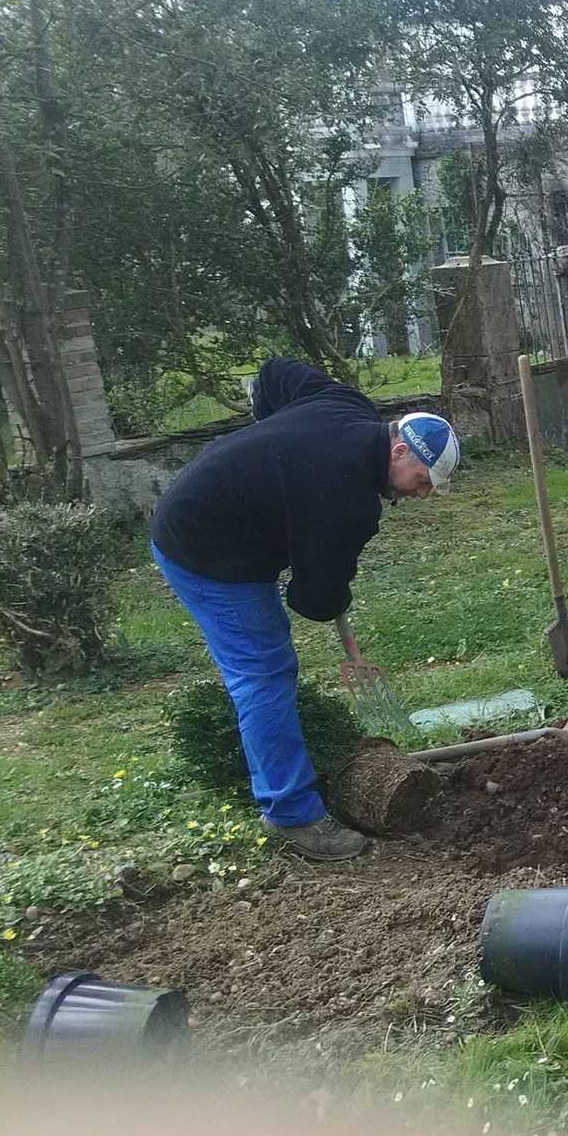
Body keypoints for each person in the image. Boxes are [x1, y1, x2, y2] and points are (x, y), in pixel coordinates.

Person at [149, 357, 459, 861]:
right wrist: (327, 578)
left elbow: (275, 373)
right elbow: (313, 601)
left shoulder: (349, 405)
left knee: (266, 666)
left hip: (204, 507)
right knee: (264, 672)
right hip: (204, 547)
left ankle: (284, 789)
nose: (421, 495)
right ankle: (291, 815)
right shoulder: (347, 505)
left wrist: (276, 458)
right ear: (400, 450)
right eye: (422, 481)